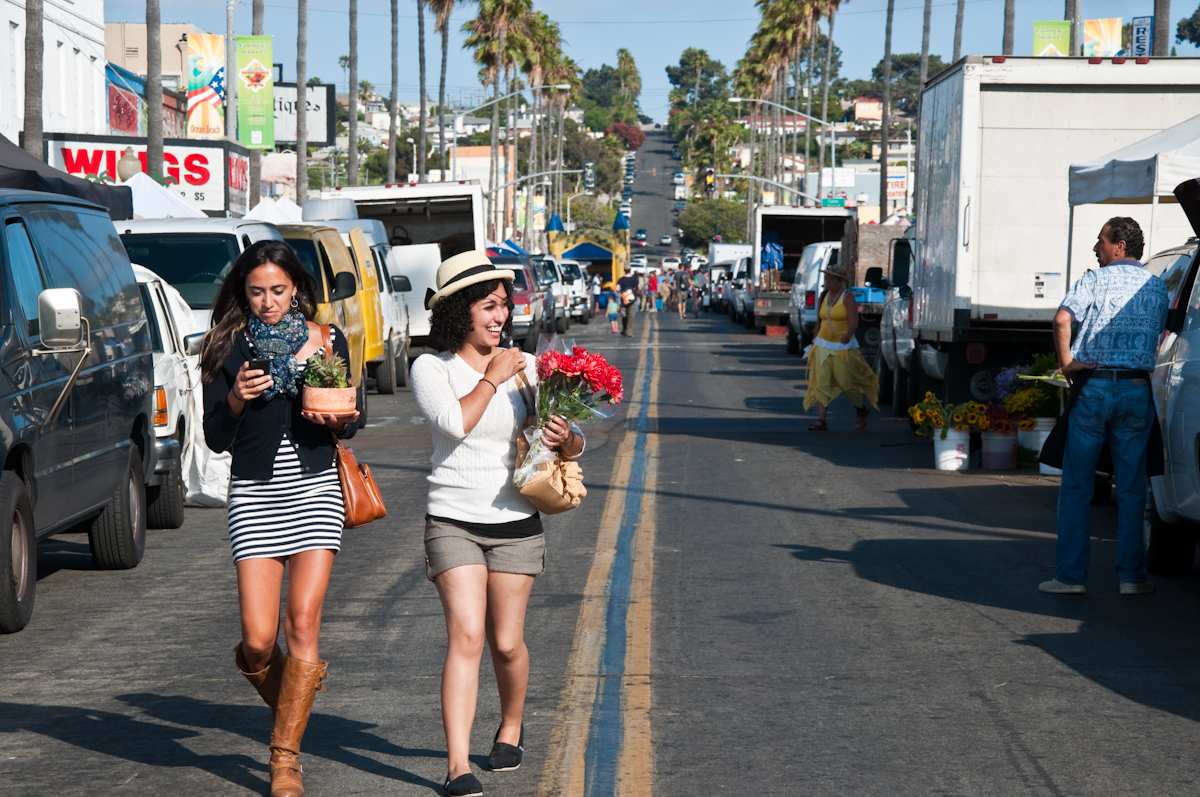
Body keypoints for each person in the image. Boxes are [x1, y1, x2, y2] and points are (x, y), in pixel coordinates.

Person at [410, 250, 586, 797]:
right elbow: (454, 423)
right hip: (453, 519)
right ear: (460, 312)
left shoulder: (528, 369)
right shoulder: (431, 368)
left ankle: (511, 725)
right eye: (488, 307)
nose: (500, 317)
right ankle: (457, 765)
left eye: (503, 306)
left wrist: (566, 437)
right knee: (465, 635)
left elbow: (574, 442)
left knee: (506, 642)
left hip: (516, 519)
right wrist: (491, 377)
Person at [201, 240, 359, 797]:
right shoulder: (227, 345)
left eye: (277, 290)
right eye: (256, 292)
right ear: (243, 294)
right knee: (259, 641)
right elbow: (216, 436)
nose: (267, 302)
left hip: (317, 492)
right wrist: (238, 398)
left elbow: (350, 418)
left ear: (296, 289)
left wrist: (336, 413)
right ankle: (299, 694)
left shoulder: (326, 340)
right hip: (255, 496)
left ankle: (284, 757)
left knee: (302, 624)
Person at [1039, 217, 1168, 597]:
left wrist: (1067, 362)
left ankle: (1070, 577)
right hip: (1135, 390)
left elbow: (1063, 319)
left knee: (1078, 485)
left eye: (1101, 241)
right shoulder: (1157, 286)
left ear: (1119, 246)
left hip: (1095, 388)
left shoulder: (1094, 280)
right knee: (1131, 488)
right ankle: (1131, 578)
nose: (1097, 248)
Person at [803, 261, 878, 431]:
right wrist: (815, 337)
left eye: (830, 279)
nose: (826, 282)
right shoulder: (823, 296)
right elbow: (820, 319)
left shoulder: (847, 297)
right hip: (822, 344)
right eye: (826, 278)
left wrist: (847, 335)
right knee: (821, 381)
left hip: (842, 347)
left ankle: (860, 409)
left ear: (839, 281)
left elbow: (854, 322)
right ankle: (821, 420)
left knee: (846, 382)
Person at [617, 270, 639, 336]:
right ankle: (629, 332)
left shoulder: (621, 279)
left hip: (623, 300)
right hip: (632, 299)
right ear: (630, 270)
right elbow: (638, 288)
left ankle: (624, 329)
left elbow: (617, 289)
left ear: (624, 270)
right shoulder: (634, 279)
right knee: (631, 316)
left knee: (624, 316)